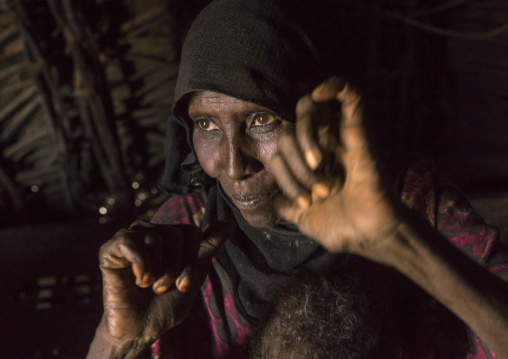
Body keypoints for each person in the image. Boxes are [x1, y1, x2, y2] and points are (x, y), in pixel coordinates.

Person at [86, 0, 508, 358]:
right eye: (207, 125)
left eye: (261, 119)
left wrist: (396, 242)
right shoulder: (184, 235)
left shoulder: (409, 201)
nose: (232, 167)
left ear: (320, 115)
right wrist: (118, 340)